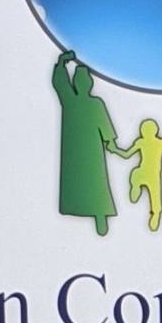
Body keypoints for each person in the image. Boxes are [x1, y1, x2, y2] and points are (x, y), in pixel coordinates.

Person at [50, 50, 121, 235]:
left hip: (84, 155)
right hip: (86, 154)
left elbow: (59, 82)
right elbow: (107, 134)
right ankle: (99, 215)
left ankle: (98, 214)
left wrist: (62, 63)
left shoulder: (71, 100)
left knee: (91, 183)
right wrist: (114, 146)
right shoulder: (85, 102)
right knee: (94, 183)